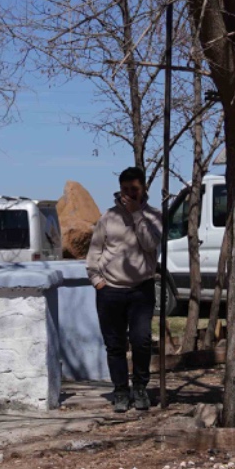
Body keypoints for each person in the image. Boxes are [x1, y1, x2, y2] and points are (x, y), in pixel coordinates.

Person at [86, 166, 166, 413]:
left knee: (141, 341)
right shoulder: (108, 217)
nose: (129, 194)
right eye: (125, 190)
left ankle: (140, 387)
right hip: (109, 291)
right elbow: (94, 252)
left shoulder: (153, 216)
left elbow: (150, 244)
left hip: (140, 290)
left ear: (143, 190)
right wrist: (97, 281)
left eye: (134, 190)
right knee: (115, 344)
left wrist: (136, 215)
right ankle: (121, 390)